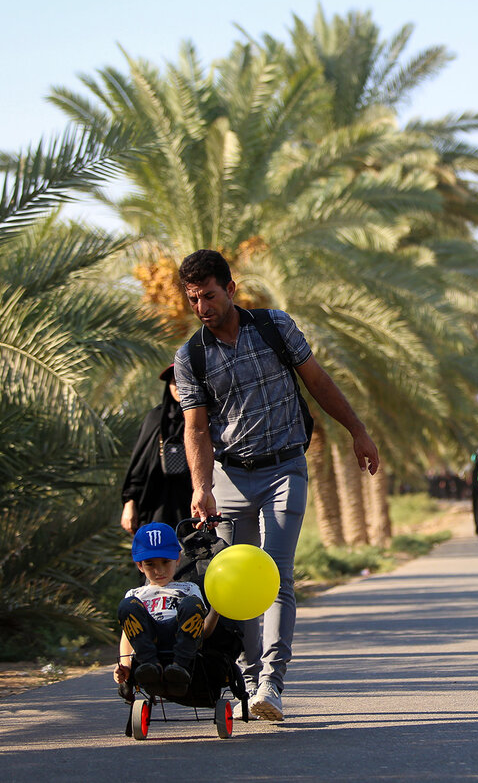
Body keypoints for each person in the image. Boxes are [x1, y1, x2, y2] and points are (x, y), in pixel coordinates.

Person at [174, 249, 379, 723]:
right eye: (193, 299)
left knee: (276, 573)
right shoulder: (192, 357)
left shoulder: (274, 328)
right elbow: (196, 428)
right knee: (233, 585)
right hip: (229, 476)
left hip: (285, 468)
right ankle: (246, 678)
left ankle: (271, 681)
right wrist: (200, 486)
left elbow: (318, 382)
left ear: (230, 287)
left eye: (208, 295)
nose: (202, 307)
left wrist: (358, 431)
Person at [114, 522, 217, 698]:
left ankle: (179, 668)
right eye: (150, 564)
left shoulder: (189, 588)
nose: (159, 570)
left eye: (165, 562)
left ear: (177, 559)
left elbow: (202, 630)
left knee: (192, 603)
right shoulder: (136, 594)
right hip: (148, 640)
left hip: (180, 636)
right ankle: (151, 667)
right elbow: (128, 634)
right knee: (127, 605)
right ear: (140, 566)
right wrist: (126, 666)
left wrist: (216, 610)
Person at [119, 365, 194, 533]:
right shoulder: (155, 419)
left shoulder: (205, 418)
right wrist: (130, 503)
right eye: (174, 382)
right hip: (157, 504)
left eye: (184, 382)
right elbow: (140, 465)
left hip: (194, 506)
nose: (179, 388)